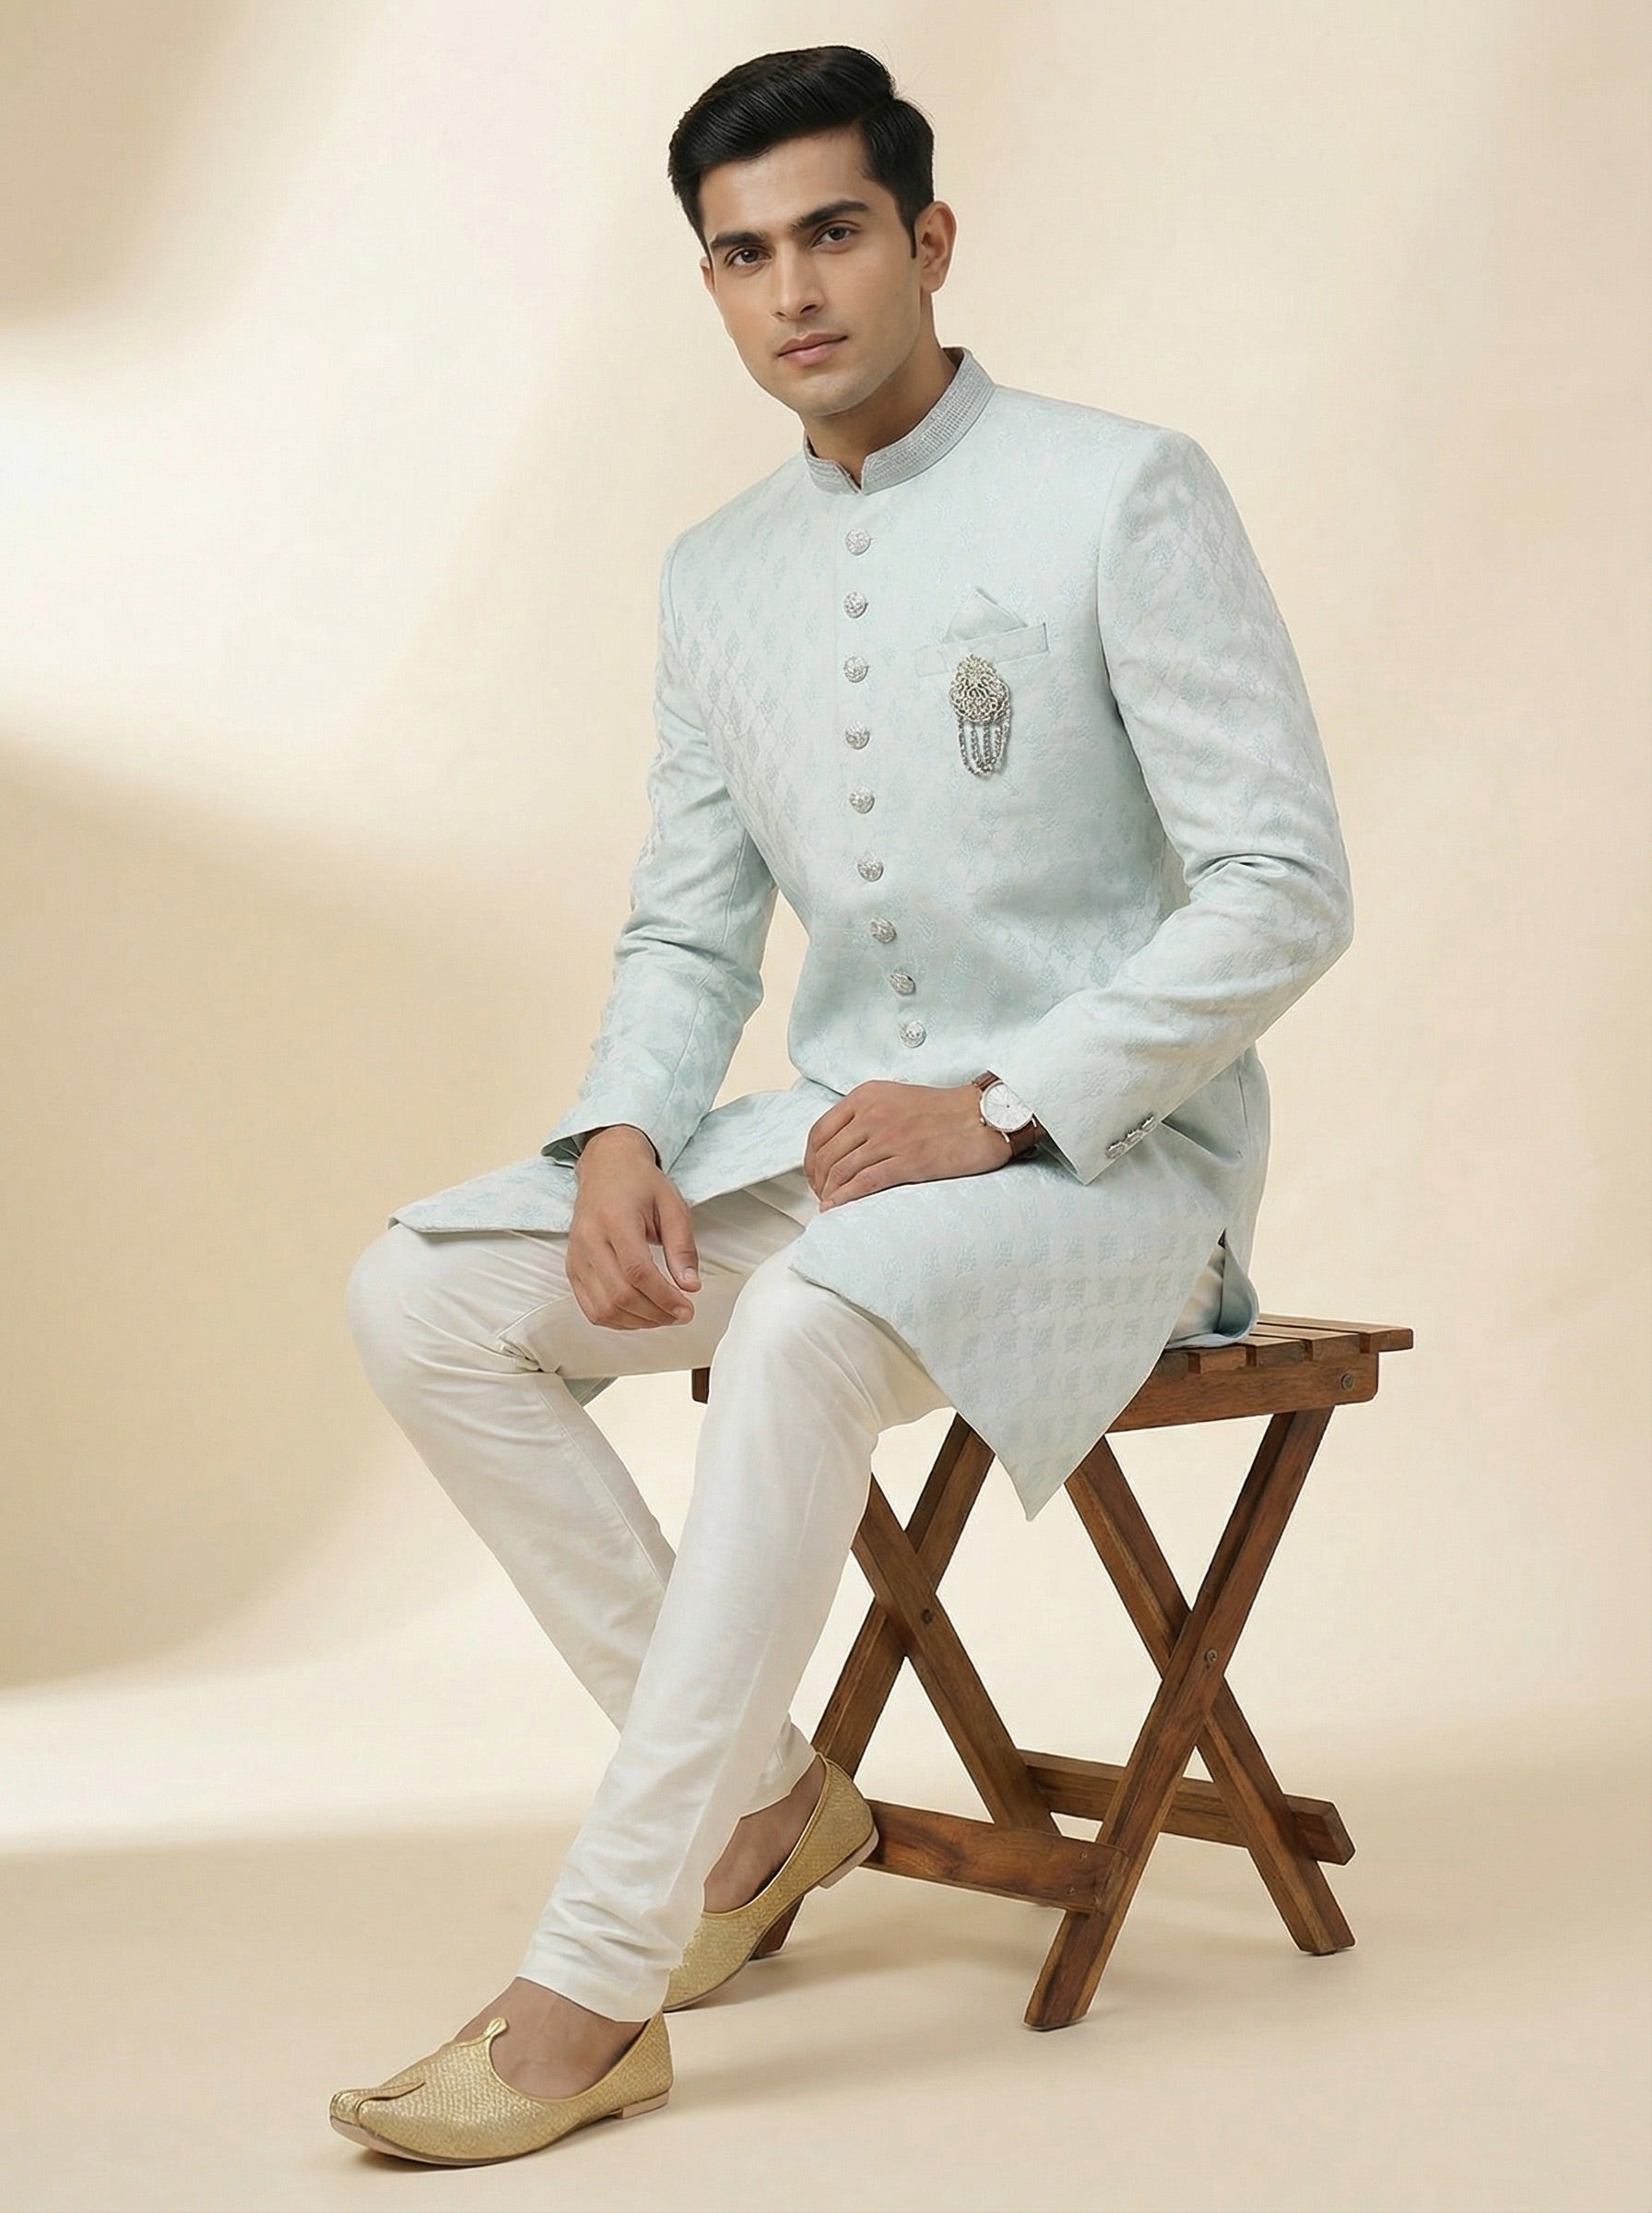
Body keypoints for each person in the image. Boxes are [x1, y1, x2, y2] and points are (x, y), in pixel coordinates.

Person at [330, 42, 1354, 2167]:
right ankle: (763, 1804)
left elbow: (1281, 885)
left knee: (800, 1325)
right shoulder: (715, 576)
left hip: (1115, 1170)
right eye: (740, 255)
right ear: (708, 283)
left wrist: (1011, 1100)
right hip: (837, 1151)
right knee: (416, 1299)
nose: (790, 290)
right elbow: (688, 927)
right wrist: (623, 1133)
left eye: (829, 232)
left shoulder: (1118, 489)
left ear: (925, 238)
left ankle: (592, 1984)